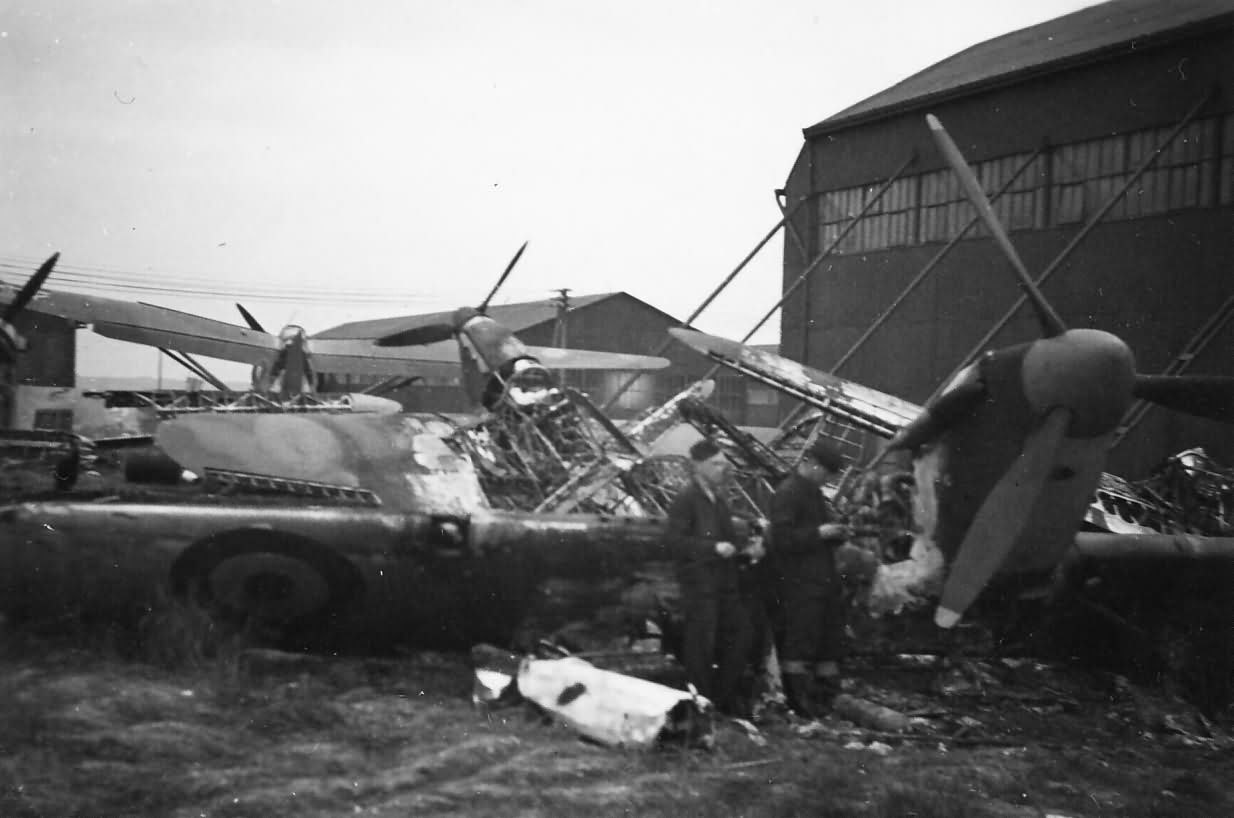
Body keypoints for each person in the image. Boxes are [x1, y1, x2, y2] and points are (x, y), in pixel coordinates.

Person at [666, 438, 762, 716]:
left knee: (742, 634)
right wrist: (712, 548)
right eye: (716, 463)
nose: (723, 469)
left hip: (723, 584)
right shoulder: (686, 499)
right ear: (698, 466)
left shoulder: (718, 500)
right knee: (701, 646)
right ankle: (702, 704)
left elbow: (728, 542)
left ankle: (719, 697)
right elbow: (674, 542)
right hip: (699, 584)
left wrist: (746, 553)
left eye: (724, 463)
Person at [767, 438, 851, 718]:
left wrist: (834, 536)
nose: (827, 480)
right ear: (812, 465)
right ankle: (798, 701)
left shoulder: (813, 493)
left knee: (826, 643)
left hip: (821, 585)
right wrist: (819, 534)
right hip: (800, 586)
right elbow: (781, 539)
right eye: (826, 474)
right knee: (799, 644)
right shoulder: (789, 493)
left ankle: (825, 699)